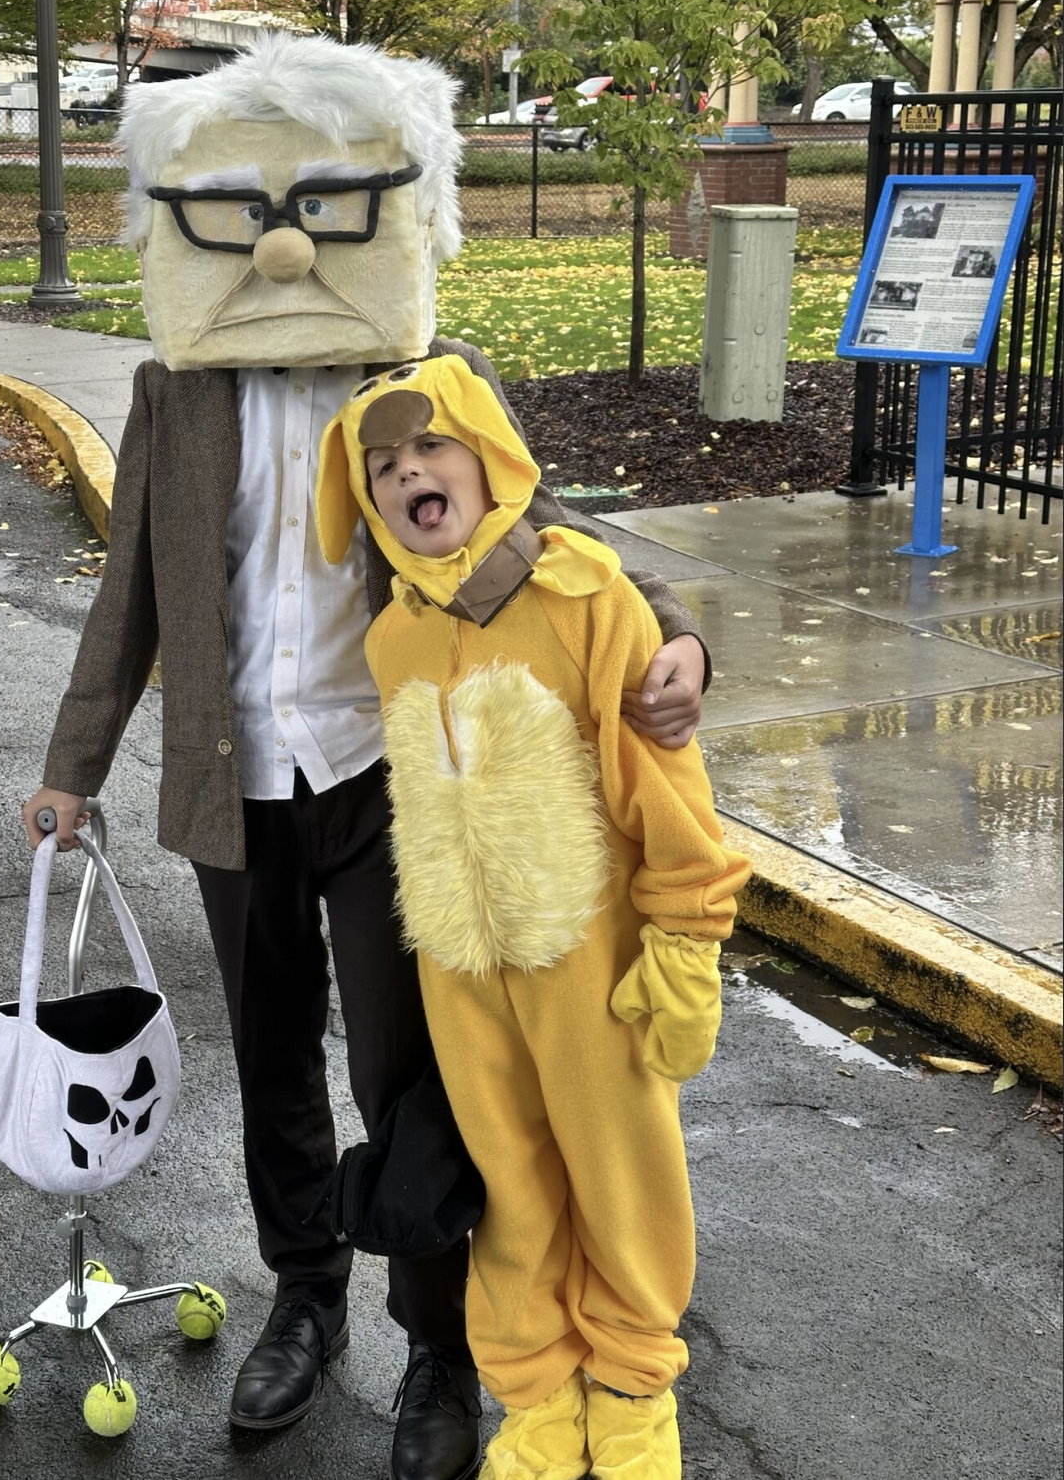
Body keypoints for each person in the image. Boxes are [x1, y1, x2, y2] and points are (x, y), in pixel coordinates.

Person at [21, 31, 710, 1480]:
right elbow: (130, 589)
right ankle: (306, 1297)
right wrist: (73, 763)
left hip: (394, 783)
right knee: (271, 1050)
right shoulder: (175, 388)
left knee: (418, 1070)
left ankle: (441, 1341)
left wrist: (682, 637)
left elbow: (545, 524)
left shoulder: (424, 374)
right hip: (231, 782)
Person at [314, 352, 752, 1480]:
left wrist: (685, 941)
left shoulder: (586, 596)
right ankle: (539, 1395)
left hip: (591, 972)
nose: (410, 473)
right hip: (464, 978)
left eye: (432, 448)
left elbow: (667, 787)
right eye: (384, 466)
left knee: (621, 1178)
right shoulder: (394, 638)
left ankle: (633, 1389)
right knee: (511, 1191)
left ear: (489, 460)